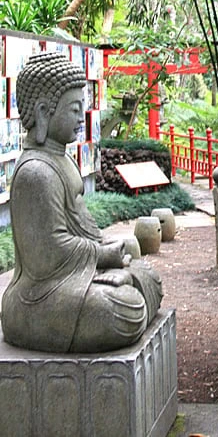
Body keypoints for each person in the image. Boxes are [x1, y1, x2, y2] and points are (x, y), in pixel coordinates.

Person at [1, 52, 162, 353]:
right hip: (39, 295)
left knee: (148, 277)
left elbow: (83, 229)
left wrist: (108, 253)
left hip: (74, 278)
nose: (81, 118)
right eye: (75, 109)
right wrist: (103, 255)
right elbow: (46, 256)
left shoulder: (61, 161)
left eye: (83, 109)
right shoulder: (35, 172)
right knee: (120, 309)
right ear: (43, 112)